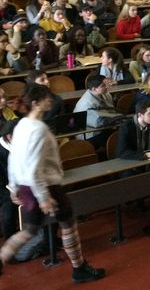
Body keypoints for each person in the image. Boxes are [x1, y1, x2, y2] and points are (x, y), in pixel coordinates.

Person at [0, 84, 105, 282]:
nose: (51, 99)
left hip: (27, 186)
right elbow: (33, 166)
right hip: (45, 186)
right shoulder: (38, 129)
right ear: (35, 103)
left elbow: (16, 159)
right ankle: (79, 268)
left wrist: (14, 186)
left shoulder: (21, 124)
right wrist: (44, 197)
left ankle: (1, 259)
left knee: (30, 230)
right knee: (68, 223)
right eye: (46, 97)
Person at [73, 74, 120, 149]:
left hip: (105, 126)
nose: (106, 87)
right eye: (103, 86)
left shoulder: (105, 94)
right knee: (117, 138)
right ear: (94, 89)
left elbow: (111, 111)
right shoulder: (86, 104)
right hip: (90, 133)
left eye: (106, 84)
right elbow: (98, 122)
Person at [0, 119, 19, 241]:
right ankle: (10, 241)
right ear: (10, 136)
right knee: (9, 207)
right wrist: (13, 191)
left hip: (15, 184)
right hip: (2, 187)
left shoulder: (19, 146)